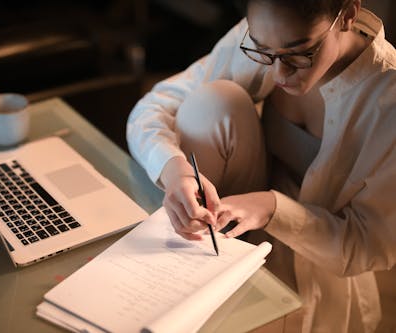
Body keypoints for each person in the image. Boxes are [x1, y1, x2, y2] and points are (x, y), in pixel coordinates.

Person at [126, 0, 396, 332]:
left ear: (348, 14)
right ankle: (182, 258)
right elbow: (153, 107)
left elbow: (369, 245)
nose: (279, 73)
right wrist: (175, 170)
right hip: (232, 215)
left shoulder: (388, 99)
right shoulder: (265, 34)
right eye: (263, 51)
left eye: (299, 53)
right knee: (215, 101)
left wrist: (273, 208)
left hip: (315, 253)